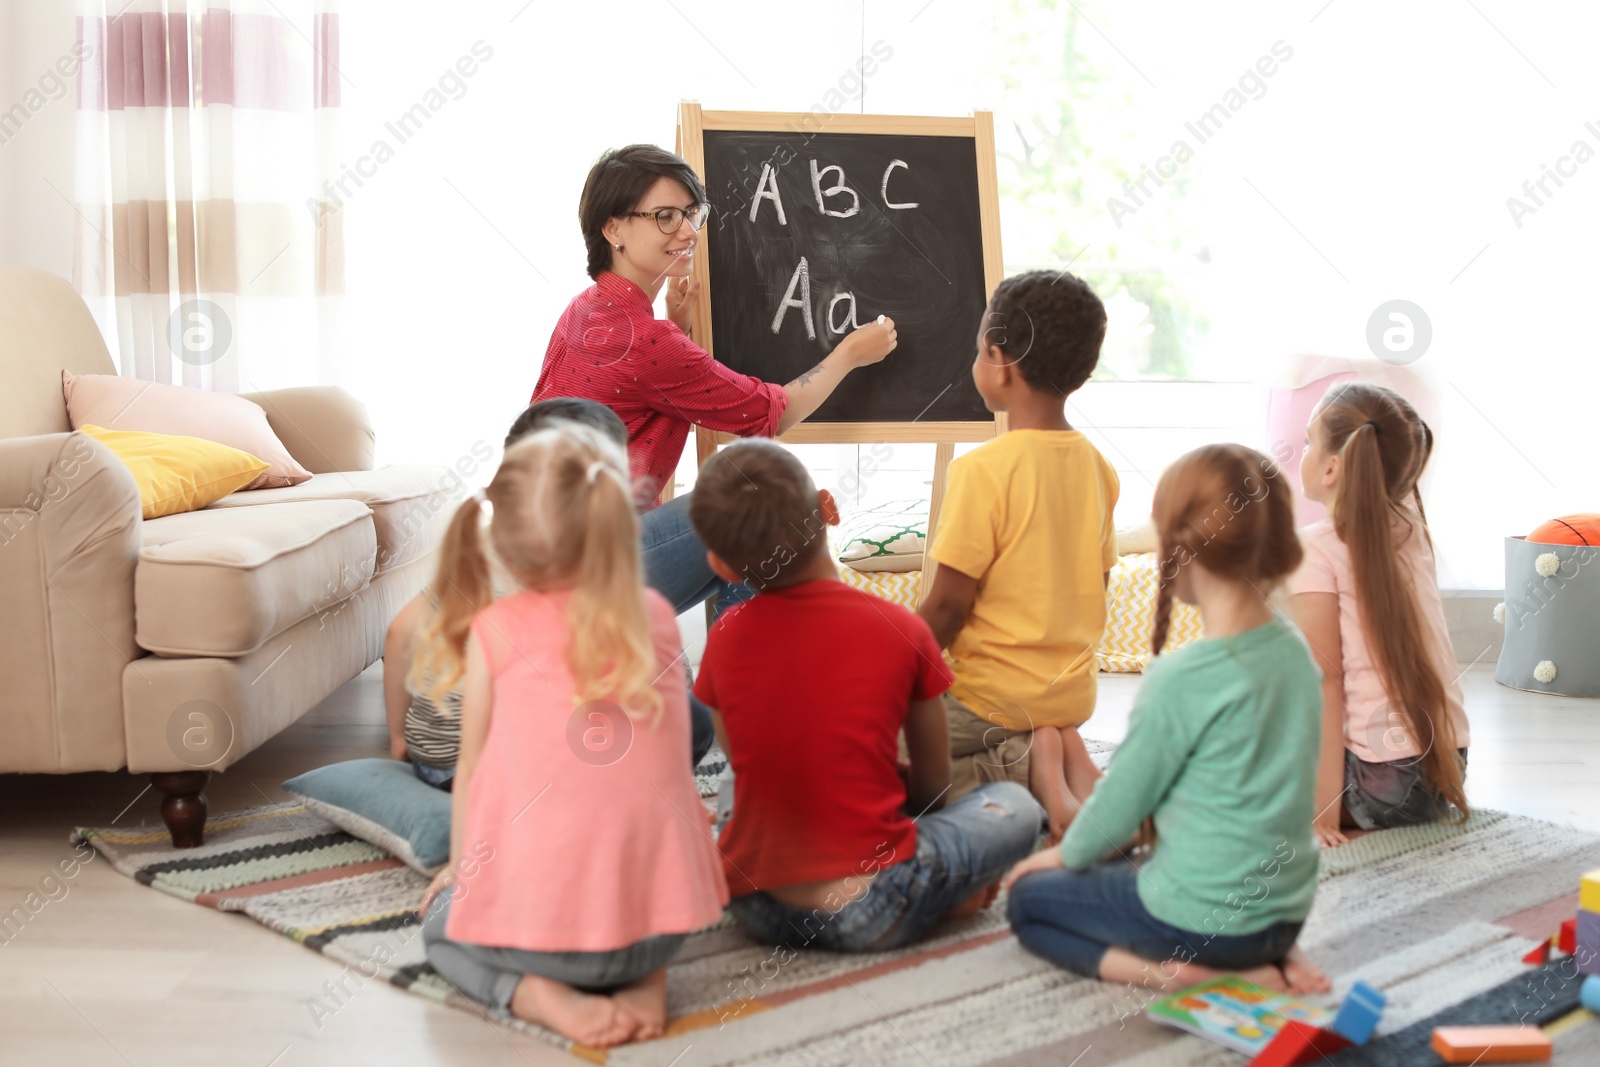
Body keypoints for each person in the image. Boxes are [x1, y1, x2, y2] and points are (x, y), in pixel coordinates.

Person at [414, 422, 727, 1048]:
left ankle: (538, 999)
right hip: (665, 929)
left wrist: (460, 866)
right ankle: (648, 982)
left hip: (547, 946)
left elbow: (471, 766)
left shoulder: (494, 629)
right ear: (616, 523)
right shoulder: (658, 616)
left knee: (439, 927)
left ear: (503, 542)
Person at [687, 440, 1042, 952]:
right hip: (872, 907)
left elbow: (743, 765)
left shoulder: (724, 635)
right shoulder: (902, 629)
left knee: (731, 786)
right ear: (828, 510)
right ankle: (939, 902)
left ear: (720, 565)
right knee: (1016, 807)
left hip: (756, 904)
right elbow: (933, 787)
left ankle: (932, 899)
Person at [1005, 444, 1329, 997]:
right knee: (1163, 853)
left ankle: (1184, 975)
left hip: (1203, 927)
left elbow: (1117, 813)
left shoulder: (1182, 677)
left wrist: (1055, 859)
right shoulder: (1296, 653)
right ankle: (1280, 960)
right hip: (1285, 913)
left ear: (1180, 547)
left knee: (1028, 903)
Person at [531, 143, 899, 616]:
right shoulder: (645, 341)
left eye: (692, 213)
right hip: (584, 574)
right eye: (664, 216)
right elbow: (774, 413)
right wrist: (849, 354)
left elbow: (630, 394)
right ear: (613, 228)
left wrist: (676, 327)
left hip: (545, 550)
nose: (687, 231)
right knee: (758, 499)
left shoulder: (587, 308)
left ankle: (726, 672)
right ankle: (743, 672)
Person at [383, 398, 717, 787]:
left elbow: (399, 634)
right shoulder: (587, 562)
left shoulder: (479, 554)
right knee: (691, 720)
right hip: (516, 765)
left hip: (438, 763)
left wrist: (399, 741)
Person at [917, 270, 1120, 842]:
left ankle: (1022, 761)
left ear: (1000, 362)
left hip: (991, 701)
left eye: (977, 346)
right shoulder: (1096, 467)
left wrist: (890, 672)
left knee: (889, 760)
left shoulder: (983, 470)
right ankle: (1062, 749)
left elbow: (949, 608)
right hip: (1070, 692)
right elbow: (1098, 584)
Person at [1290, 382, 1469, 846]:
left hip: (1379, 787)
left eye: (1310, 441)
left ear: (1332, 467)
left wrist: (1322, 813)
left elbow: (1323, 683)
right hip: (1447, 770)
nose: (1304, 450)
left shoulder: (1316, 548)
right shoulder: (1414, 530)